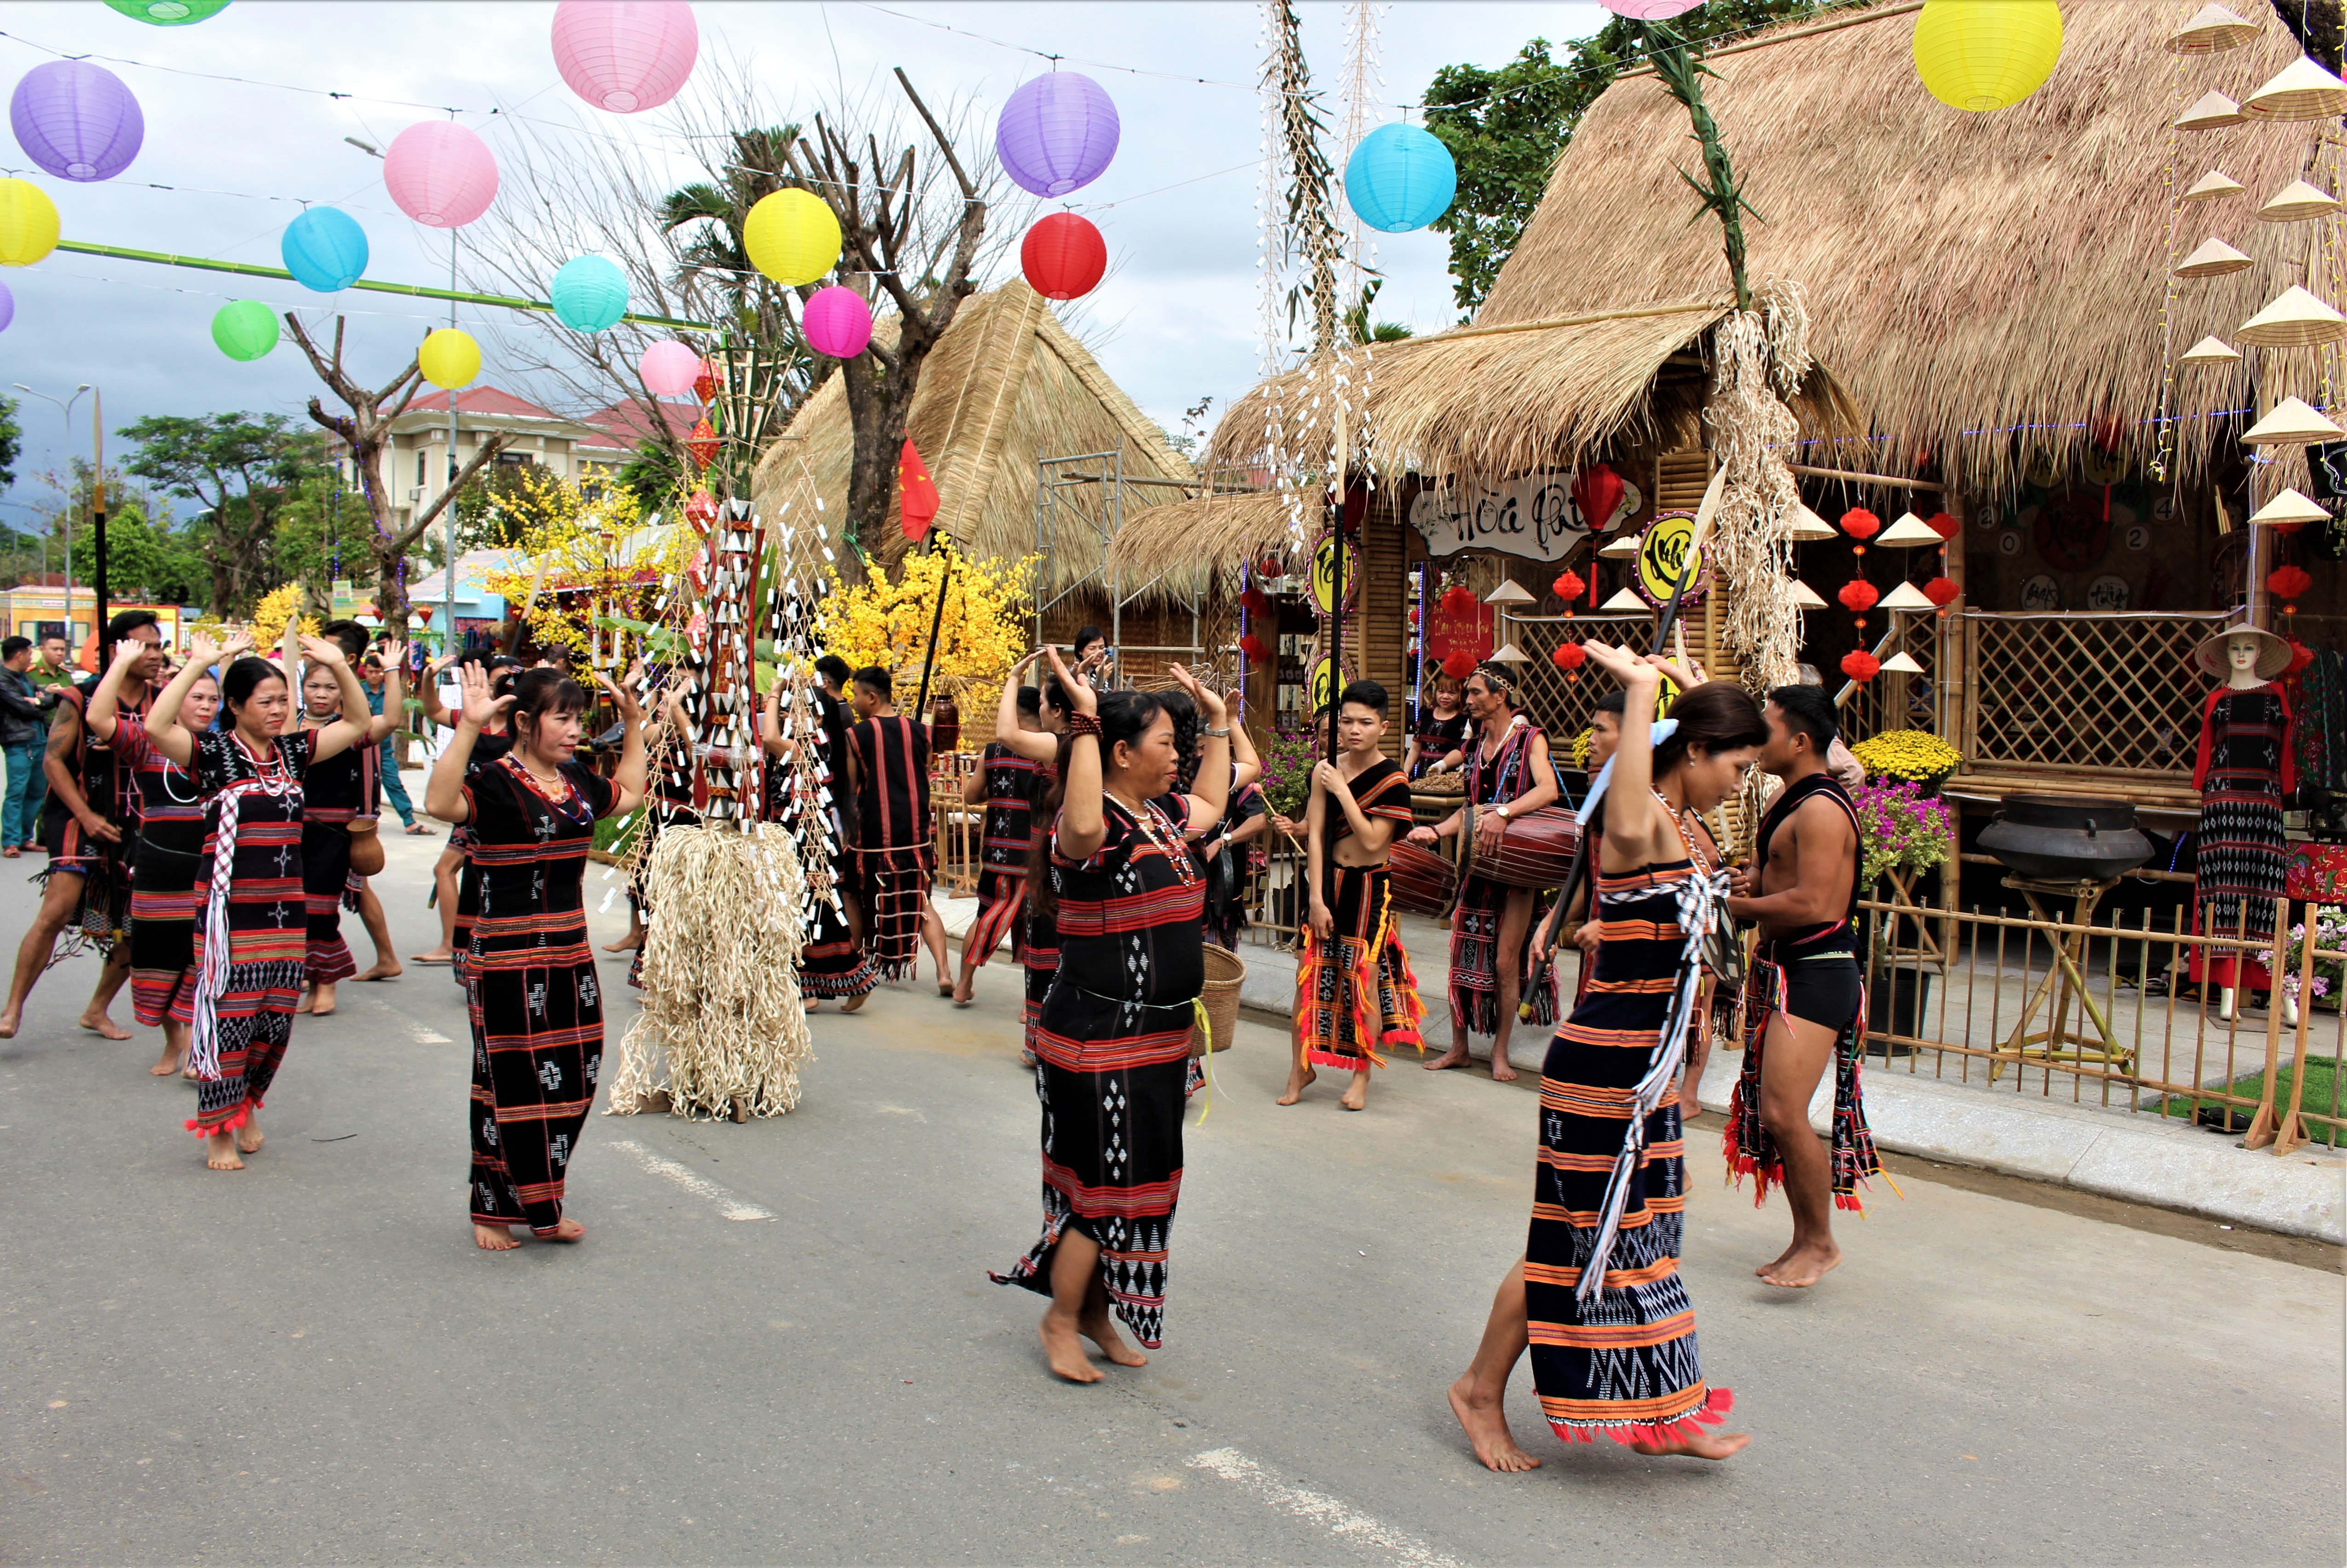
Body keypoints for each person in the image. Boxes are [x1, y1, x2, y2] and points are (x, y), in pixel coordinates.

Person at [1446, 648, 1762, 1470]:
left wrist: (1701, 696)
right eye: (1733, 761)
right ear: (1691, 753)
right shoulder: (1641, 822)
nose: (1739, 780)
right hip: (1602, 1073)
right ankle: (1480, 1388)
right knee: (1568, 1244)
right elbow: (1630, 811)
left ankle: (1669, 1406)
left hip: (1646, 1074)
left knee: (1645, 1241)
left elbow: (1708, 923)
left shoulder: (1688, 826)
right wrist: (1641, 689)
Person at [993, 654, 1230, 1381]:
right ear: (1120, 752)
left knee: (1139, 1180)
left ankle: (1093, 1311)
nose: (1176, 755)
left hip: (1157, 1040)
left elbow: (1216, 805)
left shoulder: (1162, 817)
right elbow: (1086, 815)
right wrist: (1086, 718)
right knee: (1102, 1185)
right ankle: (1060, 1317)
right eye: (1164, 743)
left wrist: (1218, 722)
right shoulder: (1090, 829)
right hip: (1098, 1037)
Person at [429, 662, 646, 1250]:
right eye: (561, 717)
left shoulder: (575, 780)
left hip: (569, 957)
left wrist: (632, 723)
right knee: (508, 1084)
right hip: (505, 958)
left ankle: (539, 1191)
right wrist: (470, 727)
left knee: (577, 1077)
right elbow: (438, 801)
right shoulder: (495, 781)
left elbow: (628, 795)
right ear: (525, 722)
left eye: (578, 718)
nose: (574, 729)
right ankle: (497, 1209)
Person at [145, 630, 374, 1171]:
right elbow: (157, 726)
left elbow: (360, 724)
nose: (279, 710)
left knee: (274, 1022)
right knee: (231, 1021)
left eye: (283, 701)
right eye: (267, 702)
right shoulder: (212, 753)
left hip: (284, 911)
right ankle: (217, 1130)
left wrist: (341, 666)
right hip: (229, 915)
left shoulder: (294, 751)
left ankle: (247, 1103)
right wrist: (199, 663)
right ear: (235, 706)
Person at [1722, 682, 1879, 1289]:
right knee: (1777, 1112)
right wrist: (1746, 882)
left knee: (1784, 1112)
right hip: (1791, 966)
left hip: (1817, 970)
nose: (1757, 736)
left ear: (1799, 739)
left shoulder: (1818, 807)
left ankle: (1819, 1241)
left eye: (1767, 725)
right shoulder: (1786, 799)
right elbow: (1771, 875)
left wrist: (1740, 910)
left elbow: (1814, 901)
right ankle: (1803, 1237)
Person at [0, 610, 168, 1041]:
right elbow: (53, 760)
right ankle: (12, 1009)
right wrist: (87, 816)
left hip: (139, 820)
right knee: (56, 910)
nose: (156, 654)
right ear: (118, 650)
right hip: (78, 813)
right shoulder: (81, 697)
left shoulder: (163, 699)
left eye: (159, 645)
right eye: (145, 645)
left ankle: (97, 1009)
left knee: (139, 923)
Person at [1409, 663, 1561, 1082]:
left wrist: (1506, 812)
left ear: (1500, 696)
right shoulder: (1475, 746)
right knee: (1461, 956)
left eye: (1475, 693)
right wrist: (1436, 830)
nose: (1468, 700)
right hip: (1477, 864)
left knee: (1505, 962)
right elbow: (1472, 809)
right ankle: (1458, 1047)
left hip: (1515, 871)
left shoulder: (1531, 738)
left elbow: (1547, 789)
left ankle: (1499, 1053)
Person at [1284, 680, 1423, 1112]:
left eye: (1365, 722)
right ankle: (1300, 1066)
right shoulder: (1324, 767)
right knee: (1308, 975)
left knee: (1363, 978)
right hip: (1330, 882)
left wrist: (1342, 789)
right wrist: (1316, 898)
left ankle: (1362, 1073)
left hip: (1369, 887)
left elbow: (1370, 839)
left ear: (1382, 726)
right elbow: (1318, 837)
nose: (1354, 730)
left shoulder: (1394, 779)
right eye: (1346, 721)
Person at [87, 636, 219, 1077]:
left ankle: (201, 1049)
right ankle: (173, 1044)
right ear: (175, 699)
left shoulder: (224, 750)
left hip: (212, 871)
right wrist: (123, 662)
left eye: (213, 699)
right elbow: (97, 717)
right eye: (196, 696)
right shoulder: (146, 744)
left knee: (206, 963)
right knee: (156, 961)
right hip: (158, 872)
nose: (206, 706)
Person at [295, 621, 404, 1016]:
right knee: (294, 909)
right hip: (290, 830)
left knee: (321, 909)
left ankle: (327, 983)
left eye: (330, 687)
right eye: (314, 686)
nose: (321, 694)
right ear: (302, 688)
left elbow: (390, 719)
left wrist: (391, 671)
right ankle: (309, 981)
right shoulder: (285, 727)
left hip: (334, 833)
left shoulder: (348, 730)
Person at [772, 656, 876, 1011]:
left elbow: (770, 736)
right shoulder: (820, 745)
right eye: (788, 712)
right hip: (804, 838)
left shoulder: (805, 748)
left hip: (809, 841)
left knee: (815, 911)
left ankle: (837, 981)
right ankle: (821, 984)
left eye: (795, 713)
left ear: (816, 718)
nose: (788, 718)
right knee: (811, 911)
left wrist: (773, 694)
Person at [411, 654, 520, 966]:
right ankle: (453, 943)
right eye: (496, 680)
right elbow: (432, 710)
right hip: (469, 814)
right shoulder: (473, 719)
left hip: (503, 819)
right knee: (446, 870)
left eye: (509, 681)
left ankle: (475, 949)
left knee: (478, 880)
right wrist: (428, 678)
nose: (501, 687)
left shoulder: (522, 727)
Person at [845, 665, 948, 989]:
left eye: (857, 695)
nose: (855, 702)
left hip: (873, 834)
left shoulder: (856, 735)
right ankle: (944, 972)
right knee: (921, 900)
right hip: (914, 831)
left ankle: (856, 965)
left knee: (855, 894)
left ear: (872, 697)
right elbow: (924, 773)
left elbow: (852, 786)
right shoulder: (922, 731)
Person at [956, 675, 1050, 1007]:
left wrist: (997, 791)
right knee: (1035, 928)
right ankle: (1031, 1004)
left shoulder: (993, 750)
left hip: (996, 849)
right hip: (1036, 854)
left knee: (987, 914)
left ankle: (964, 984)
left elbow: (971, 795)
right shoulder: (1049, 750)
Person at [365, 643, 431, 835]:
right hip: (363, 747)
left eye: (378, 672)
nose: (374, 676)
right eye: (370, 672)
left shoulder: (391, 691)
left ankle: (409, 820)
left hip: (384, 748)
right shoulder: (359, 691)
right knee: (364, 786)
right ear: (366, 672)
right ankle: (365, 821)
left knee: (393, 782)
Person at [0, 635, 52, 856]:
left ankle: (24, 837)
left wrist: (39, 701)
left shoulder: (25, 678)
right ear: (19, 655)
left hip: (40, 739)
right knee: (17, 791)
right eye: (30, 653)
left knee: (37, 792)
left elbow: (48, 698)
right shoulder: (3, 680)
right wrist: (39, 703)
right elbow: (22, 708)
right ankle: (11, 841)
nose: (32, 657)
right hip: (19, 741)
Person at [1407, 672, 1472, 780]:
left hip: (1448, 777)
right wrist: (1404, 773)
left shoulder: (1465, 719)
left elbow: (1463, 750)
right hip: (1422, 775)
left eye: (1452, 693)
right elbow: (1416, 749)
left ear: (1460, 694)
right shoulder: (1425, 713)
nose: (1445, 696)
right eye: (1441, 692)